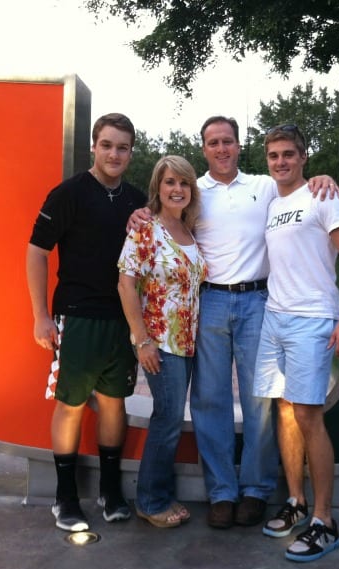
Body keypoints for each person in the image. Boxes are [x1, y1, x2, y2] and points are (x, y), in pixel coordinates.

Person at [129, 116, 339, 529]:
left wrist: (324, 176)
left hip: (258, 301)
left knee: (262, 400)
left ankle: (256, 490)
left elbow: (299, 184)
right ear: (204, 149)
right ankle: (222, 491)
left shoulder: (263, 187)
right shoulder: (194, 193)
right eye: (213, 142)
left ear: (239, 146)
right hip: (209, 302)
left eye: (228, 141)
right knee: (210, 400)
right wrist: (139, 213)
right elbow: (162, 216)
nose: (221, 148)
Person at [26, 113, 147, 531]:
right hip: (76, 316)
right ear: (93, 147)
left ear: (131, 152)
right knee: (71, 404)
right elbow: (36, 252)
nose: (114, 154)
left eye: (123, 147)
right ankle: (65, 498)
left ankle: (110, 491)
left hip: (120, 319)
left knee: (115, 404)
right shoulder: (68, 194)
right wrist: (41, 316)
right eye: (107, 145)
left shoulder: (136, 201)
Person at [255, 124, 339, 563]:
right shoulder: (271, 201)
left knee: (308, 414)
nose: (281, 161)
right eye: (274, 155)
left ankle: (325, 521)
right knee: (283, 409)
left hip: (313, 320)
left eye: (288, 154)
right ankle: (297, 502)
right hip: (273, 319)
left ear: (303, 158)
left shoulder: (323, 195)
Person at [117, 155, 207, 528]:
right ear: (158, 187)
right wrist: (142, 340)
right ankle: (151, 501)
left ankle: (160, 493)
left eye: (184, 183)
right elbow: (125, 283)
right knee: (167, 419)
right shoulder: (145, 230)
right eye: (170, 182)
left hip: (188, 342)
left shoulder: (190, 231)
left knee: (170, 418)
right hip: (160, 342)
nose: (177, 189)